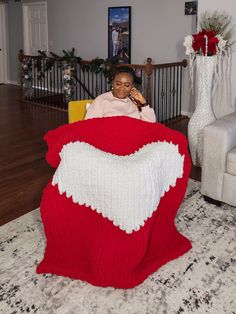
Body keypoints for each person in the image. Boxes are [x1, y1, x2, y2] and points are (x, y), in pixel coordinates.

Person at [85, 67, 156, 123]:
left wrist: (143, 103)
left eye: (127, 85)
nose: (122, 88)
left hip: (134, 137)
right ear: (113, 83)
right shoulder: (101, 100)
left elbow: (151, 124)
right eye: (118, 84)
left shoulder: (133, 101)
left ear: (132, 86)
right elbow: (89, 125)